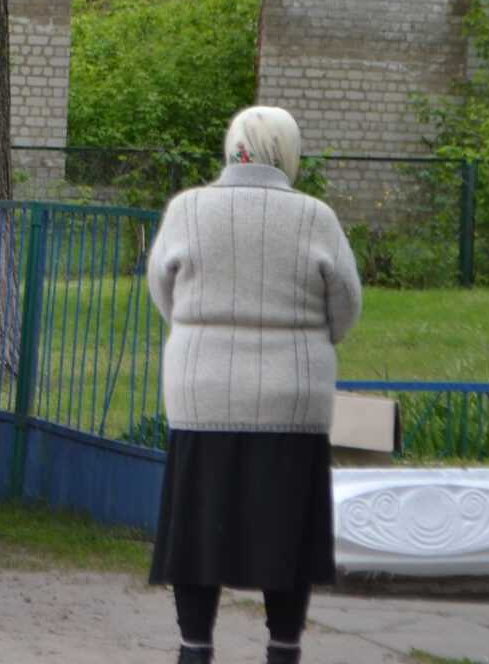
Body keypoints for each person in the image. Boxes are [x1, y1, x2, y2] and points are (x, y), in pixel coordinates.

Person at [145, 106, 361, 664]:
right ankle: (283, 648)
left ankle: (195, 647)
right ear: (287, 153)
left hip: (203, 392)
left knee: (197, 528)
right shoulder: (316, 217)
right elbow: (345, 308)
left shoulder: (187, 209)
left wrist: (201, 332)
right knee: (287, 529)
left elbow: (163, 292)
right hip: (293, 397)